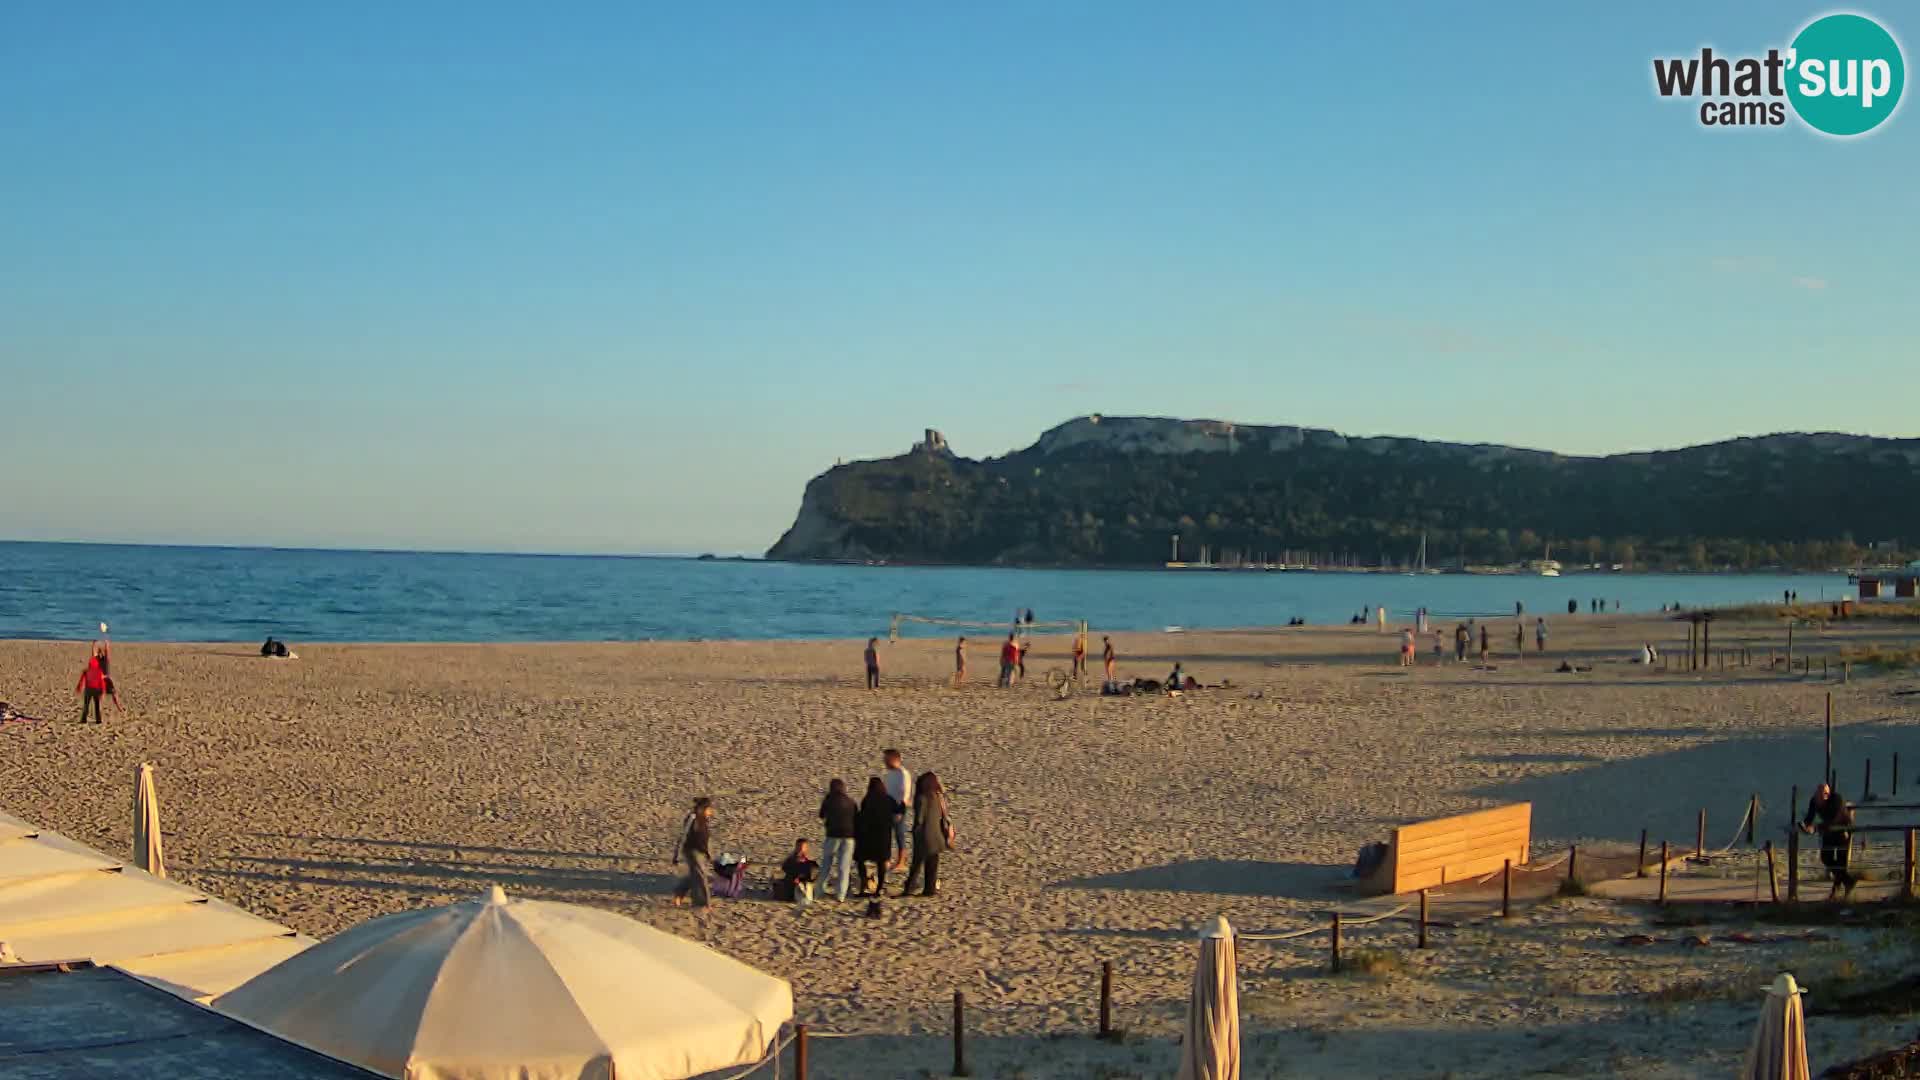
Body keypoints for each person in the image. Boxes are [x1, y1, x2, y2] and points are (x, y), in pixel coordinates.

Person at [1801, 783, 1857, 898]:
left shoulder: (1836, 800)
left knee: (1841, 862)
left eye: (1823, 795)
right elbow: (1810, 816)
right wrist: (1805, 825)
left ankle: (1837, 890)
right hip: (1828, 830)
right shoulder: (1814, 801)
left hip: (1842, 829)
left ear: (1827, 794)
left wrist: (1816, 827)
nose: (1820, 798)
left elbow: (1834, 819)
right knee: (1826, 857)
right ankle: (1848, 882)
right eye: (1818, 795)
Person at [902, 771, 952, 898]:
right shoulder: (938, 797)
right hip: (937, 836)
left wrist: (914, 831)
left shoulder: (922, 798)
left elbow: (919, 819)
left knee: (916, 864)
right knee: (932, 865)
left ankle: (909, 889)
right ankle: (929, 890)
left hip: (924, 836)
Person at [855, 777, 899, 897]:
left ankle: (864, 884)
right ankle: (879, 888)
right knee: (881, 862)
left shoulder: (867, 799)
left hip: (868, 836)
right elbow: (897, 810)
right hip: (883, 836)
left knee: (860, 859)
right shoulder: (888, 799)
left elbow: (862, 816)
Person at [670, 797, 715, 908]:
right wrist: (676, 854)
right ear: (702, 809)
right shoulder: (692, 818)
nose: (711, 811)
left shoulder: (705, 819)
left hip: (701, 852)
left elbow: (705, 838)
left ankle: (678, 894)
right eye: (708, 809)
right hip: (691, 851)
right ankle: (702, 903)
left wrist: (708, 854)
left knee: (695, 875)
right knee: (701, 876)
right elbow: (683, 836)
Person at [818, 779, 858, 901]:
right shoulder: (851, 801)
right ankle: (841, 894)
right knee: (844, 867)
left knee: (826, 863)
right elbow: (856, 817)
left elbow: (821, 815)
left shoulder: (829, 800)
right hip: (849, 836)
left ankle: (819, 890)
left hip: (833, 835)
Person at [882, 749, 914, 870]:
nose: (884, 762)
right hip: (888, 807)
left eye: (886, 759)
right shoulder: (890, 773)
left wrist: (900, 811)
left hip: (898, 808)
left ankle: (901, 861)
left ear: (894, 759)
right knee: (887, 834)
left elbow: (905, 794)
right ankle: (887, 859)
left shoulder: (903, 773)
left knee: (899, 834)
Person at [779, 839, 819, 908]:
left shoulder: (810, 861)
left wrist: (804, 878)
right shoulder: (791, 859)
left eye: (802, 847)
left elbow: (814, 873)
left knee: (808, 888)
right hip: (792, 882)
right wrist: (795, 877)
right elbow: (785, 869)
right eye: (798, 846)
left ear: (806, 848)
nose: (800, 849)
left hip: (805, 882)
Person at [75, 645, 109, 724]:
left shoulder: (87, 671)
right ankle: (98, 720)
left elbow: (81, 680)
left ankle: (84, 719)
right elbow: (102, 683)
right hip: (96, 690)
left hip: (88, 690)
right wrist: (103, 691)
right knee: (97, 706)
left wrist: (79, 687)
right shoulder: (99, 671)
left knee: (86, 705)